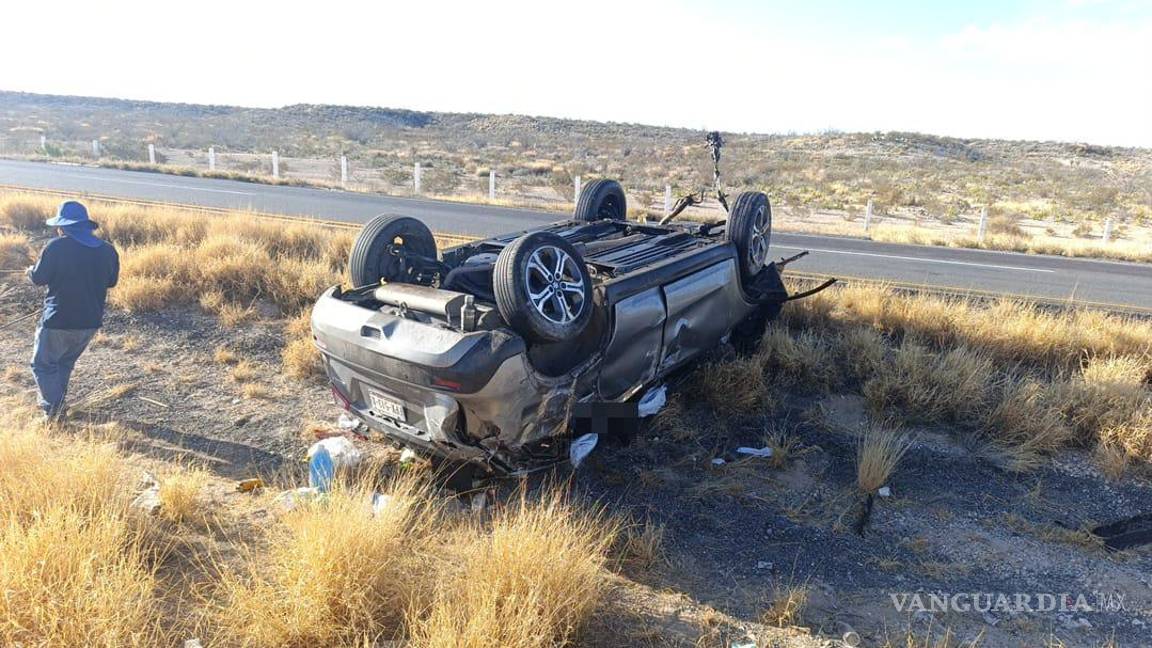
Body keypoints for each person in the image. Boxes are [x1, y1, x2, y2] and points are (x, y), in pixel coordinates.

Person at [25, 201, 119, 421]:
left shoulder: (56, 247)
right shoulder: (108, 250)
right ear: (86, 226)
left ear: (63, 227)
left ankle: (54, 411)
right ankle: (55, 406)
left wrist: (29, 271)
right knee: (63, 363)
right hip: (89, 321)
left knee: (43, 365)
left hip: (58, 319)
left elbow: (39, 278)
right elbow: (111, 282)